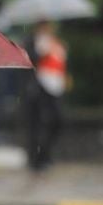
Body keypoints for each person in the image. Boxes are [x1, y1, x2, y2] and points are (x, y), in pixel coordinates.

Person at [25, 21, 68, 171]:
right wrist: (40, 52)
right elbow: (29, 60)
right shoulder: (32, 41)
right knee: (38, 124)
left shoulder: (56, 43)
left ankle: (46, 154)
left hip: (56, 87)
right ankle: (36, 159)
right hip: (39, 89)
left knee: (57, 120)